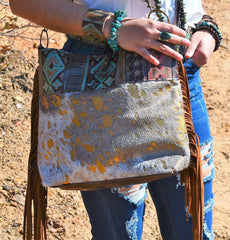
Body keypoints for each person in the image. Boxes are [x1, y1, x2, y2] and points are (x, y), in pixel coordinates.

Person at [9, 0, 221, 239]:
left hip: (180, 73)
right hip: (100, 78)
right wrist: (112, 26)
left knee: (196, 234)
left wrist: (205, 27)